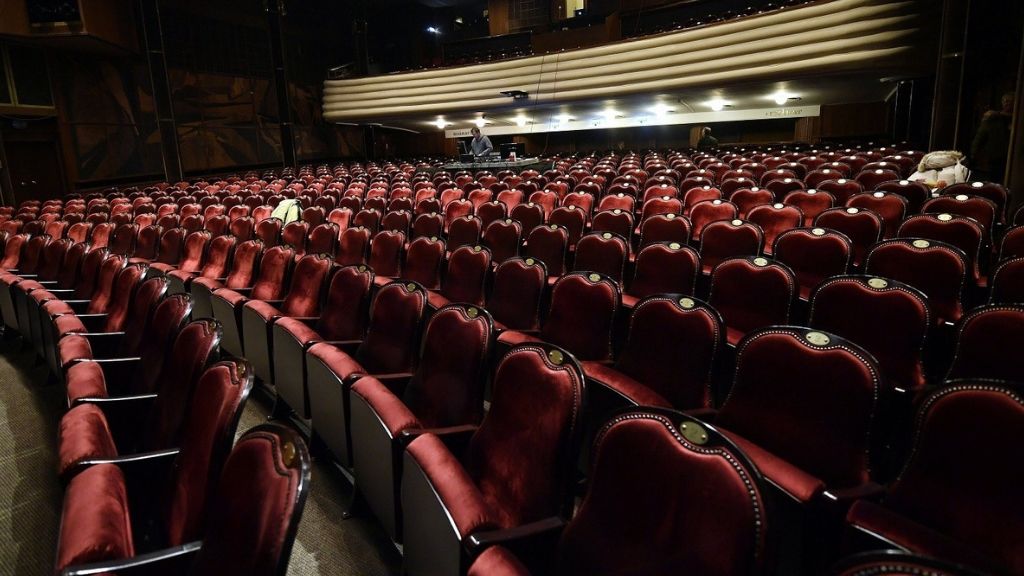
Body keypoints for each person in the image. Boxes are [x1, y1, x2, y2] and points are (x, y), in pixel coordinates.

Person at [970, 92, 1014, 183]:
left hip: (1012, 159)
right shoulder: (993, 118)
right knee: (994, 181)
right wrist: (973, 154)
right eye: (1005, 100)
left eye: (1009, 100)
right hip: (995, 157)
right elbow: (980, 136)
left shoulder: (1017, 120)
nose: (1006, 102)